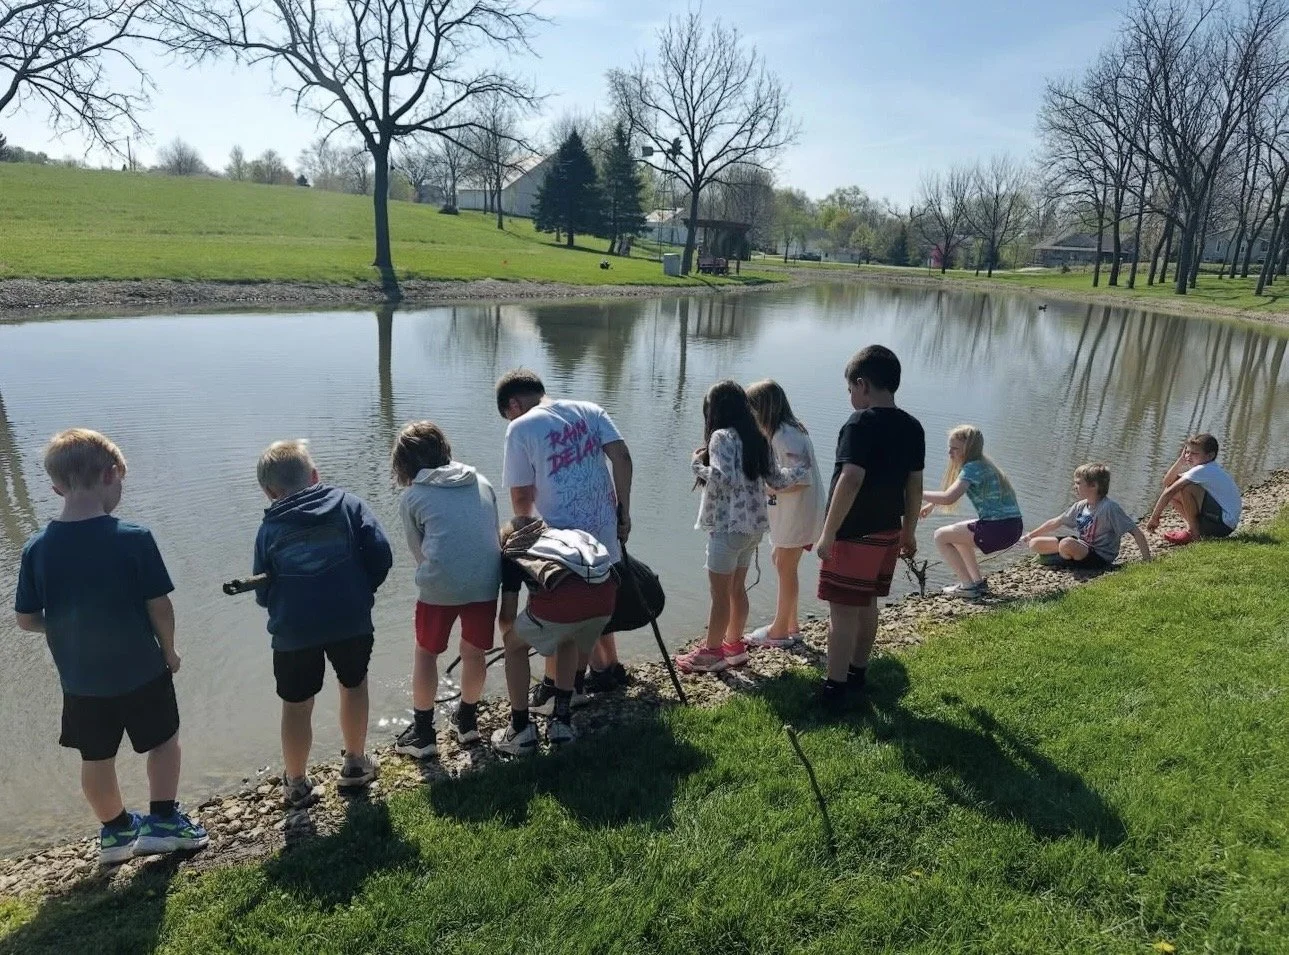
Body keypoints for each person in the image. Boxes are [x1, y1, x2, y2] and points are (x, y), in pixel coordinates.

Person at [13, 428, 208, 865]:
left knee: (95, 756)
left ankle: (116, 831)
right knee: (163, 742)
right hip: (142, 670)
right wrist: (170, 652)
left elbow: (26, 619)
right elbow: (160, 606)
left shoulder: (36, 549)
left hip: (81, 683)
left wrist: (61, 629)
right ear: (111, 474)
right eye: (121, 480)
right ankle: (163, 822)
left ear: (55, 487)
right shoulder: (133, 537)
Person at [252, 439, 393, 808]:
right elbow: (382, 554)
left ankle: (296, 783)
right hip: (351, 620)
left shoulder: (268, 530)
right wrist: (363, 590)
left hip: (293, 632)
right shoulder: (349, 505)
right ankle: (355, 763)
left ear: (269, 492)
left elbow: (263, 591)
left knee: (297, 705)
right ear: (315, 476)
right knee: (354, 685)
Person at [495, 369, 633, 708]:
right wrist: (624, 511)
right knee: (597, 600)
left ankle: (561, 689)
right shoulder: (590, 409)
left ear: (513, 404)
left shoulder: (521, 427)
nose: (509, 419)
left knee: (561, 616)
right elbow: (623, 457)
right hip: (605, 536)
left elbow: (521, 498)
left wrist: (521, 541)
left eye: (507, 414)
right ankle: (606, 669)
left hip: (563, 548)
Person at [815, 346, 924, 707]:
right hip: (888, 532)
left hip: (853, 533)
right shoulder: (912, 426)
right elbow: (914, 484)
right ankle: (858, 672)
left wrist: (828, 533)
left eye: (850, 390)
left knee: (842, 612)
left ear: (862, 384)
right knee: (867, 604)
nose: (850, 397)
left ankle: (834, 688)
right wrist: (908, 532)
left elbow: (851, 478)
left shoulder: (859, 424)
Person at [676, 380, 807, 674]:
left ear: (716, 411)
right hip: (753, 529)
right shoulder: (757, 436)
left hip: (727, 527)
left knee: (719, 595)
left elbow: (723, 478)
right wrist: (802, 467)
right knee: (737, 589)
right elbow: (777, 479)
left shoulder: (721, 437)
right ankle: (733, 646)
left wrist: (696, 464)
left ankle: (712, 653)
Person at [389, 421, 501, 759]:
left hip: (440, 583)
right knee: (474, 652)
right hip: (486, 579)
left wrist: (440, 575)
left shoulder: (413, 496)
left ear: (405, 465)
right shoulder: (481, 481)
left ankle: (423, 733)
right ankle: (466, 722)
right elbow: (490, 533)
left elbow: (418, 551)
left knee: (426, 652)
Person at [492, 516, 619, 754]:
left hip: (566, 600)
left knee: (514, 646)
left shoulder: (512, 551)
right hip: (606, 596)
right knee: (567, 636)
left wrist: (515, 639)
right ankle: (561, 722)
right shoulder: (559, 535)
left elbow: (507, 617)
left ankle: (520, 730)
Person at [744, 379, 825, 647]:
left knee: (784, 566)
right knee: (781, 562)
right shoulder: (788, 430)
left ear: (764, 408)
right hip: (794, 511)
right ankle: (792, 625)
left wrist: (766, 488)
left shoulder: (784, 435)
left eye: (752, 409)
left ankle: (779, 631)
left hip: (797, 513)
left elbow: (799, 479)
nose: (750, 416)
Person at [919, 425, 1022, 598]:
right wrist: (931, 504)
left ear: (968, 450)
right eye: (949, 447)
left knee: (940, 536)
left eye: (954, 448)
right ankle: (977, 582)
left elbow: (948, 497)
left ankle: (967, 587)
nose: (949, 452)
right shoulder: (984, 464)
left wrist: (914, 492)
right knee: (957, 534)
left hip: (998, 530)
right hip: (1012, 527)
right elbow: (951, 493)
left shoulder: (971, 468)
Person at [1023, 463, 1152, 567]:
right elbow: (1057, 522)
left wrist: (1147, 560)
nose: (1075, 486)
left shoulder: (1109, 507)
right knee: (1035, 543)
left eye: (1078, 483)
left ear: (1093, 486)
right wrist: (1030, 535)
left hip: (1100, 555)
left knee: (1066, 544)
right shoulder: (1081, 505)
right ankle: (1063, 555)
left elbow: (1136, 532)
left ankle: (1061, 558)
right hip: (1082, 545)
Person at [1146, 433, 1241, 544]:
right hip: (1221, 523)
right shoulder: (1205, 468)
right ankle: (1195, 530)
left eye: (1194, 453)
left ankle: (1194, 534)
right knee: (1175, 492)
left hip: (1222, 525)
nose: (1188, 456)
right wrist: (1181, 461)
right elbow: (1168, 482)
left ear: (1210, 456)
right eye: (1187, 452)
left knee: (1186, 488)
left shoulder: (1203, 469)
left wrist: (1154, 518)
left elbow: (1169, 491)